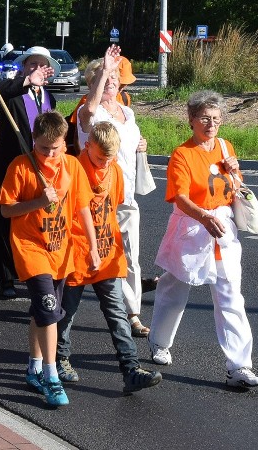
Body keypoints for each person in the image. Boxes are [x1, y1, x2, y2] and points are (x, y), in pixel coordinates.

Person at [148, 90, 258, 388]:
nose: (210, 124)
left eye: (215, 118)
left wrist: (236, 174)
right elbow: (180, 197)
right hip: (191, 226)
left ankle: (239, 366)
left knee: (230, 295)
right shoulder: (182, 154)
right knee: (175, 287)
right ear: (191, 120)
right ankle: (160, 342)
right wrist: (204, 217)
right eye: (204, 118)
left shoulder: (225, 147)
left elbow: (234, 188)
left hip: (223, 230)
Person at [0, 111, 97, 407]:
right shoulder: (21, 166)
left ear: (65, 141)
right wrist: (39, 202)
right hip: (31, 249)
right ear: (33, 141)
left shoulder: (73, 166)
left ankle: (34, 365)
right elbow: (5, 210)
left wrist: (92, 246)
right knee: (50, 311)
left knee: (42, 311)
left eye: (56, 147)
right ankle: (52, 378)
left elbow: (82, 209)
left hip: (60, 249)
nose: (50, 154)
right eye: (43, 148)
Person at [55, 121, 162, 393]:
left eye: (111, 158)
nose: (105, 163)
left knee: (117, 314)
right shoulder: (72, 168)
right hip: (76, 254)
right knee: (66, 313)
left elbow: (113, 208)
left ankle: (131, 369)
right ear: (88, 145)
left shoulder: (114, 170)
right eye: (101, 158)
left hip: (108, 254)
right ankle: (60, 359)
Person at [77, 46, 151, 337]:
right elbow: (92, 111)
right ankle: (58, 300)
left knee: (130, 256)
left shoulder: (128, 112)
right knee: (91, 255)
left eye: (114, 78)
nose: (111, 82)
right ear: (92, 83)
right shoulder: (88, 111)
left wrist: (140, 145)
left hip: (127, 195)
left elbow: (129, 144)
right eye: (104, 79)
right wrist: (105, 68)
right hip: (97, 197)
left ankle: (132, 315)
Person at [0, 46, 58, 298]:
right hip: (10, 165)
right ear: (24, 67)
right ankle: (5, 277)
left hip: (36, 168)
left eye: (41, 65)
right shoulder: (13, 90)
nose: (37, 70)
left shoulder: (49, 98)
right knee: (4, 217)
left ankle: (30, 270)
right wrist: (25, 82)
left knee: (33, 220)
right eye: (32, 65)